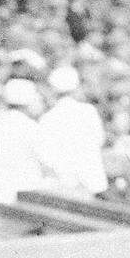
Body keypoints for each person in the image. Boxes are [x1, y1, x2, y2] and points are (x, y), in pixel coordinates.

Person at [36, 66, 108, 197]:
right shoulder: (89, 111)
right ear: (76, 89)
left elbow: (45, 157)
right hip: (92, 182)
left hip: (64, 185)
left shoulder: (47, 118)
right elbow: (99, 140)